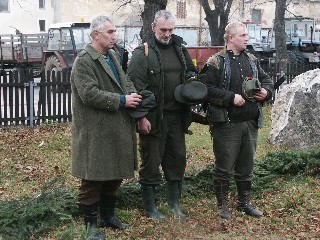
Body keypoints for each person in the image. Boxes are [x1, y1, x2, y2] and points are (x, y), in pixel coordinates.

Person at [70, 15, 142, 239]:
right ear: (95, 34)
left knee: (114, 174)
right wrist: (122, 101)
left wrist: (132, 94)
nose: (114, 36)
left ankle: (108, 216)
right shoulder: (84, 61)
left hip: (116, 127)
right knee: (93, 178)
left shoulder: (111, 54)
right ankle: (90, 225)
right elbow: (89, 94)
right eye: (110, 32)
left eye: (114, 31)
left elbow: (124, 81)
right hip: (95, 130)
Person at [127, 10, 198, 221]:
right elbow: (134, 88)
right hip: (153, 120)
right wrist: (141, 117)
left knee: (177, 160)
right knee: (151, 163)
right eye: (163, 30)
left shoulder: (180, 50)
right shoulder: (143, 54)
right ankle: (150, 208)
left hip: (177, 117)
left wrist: (193, 80)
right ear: (153, 28)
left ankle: (174, 205)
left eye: (170, 29)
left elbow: (191, 73)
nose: (167, 34)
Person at [200, 21, 274, 220]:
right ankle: (223, 206)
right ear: (230, 38)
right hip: (226, 124)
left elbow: (267, 81)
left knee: (246, 166)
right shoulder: (216, 62)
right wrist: (230, 97)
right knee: (224, 167)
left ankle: (244, 203)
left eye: (246, 35)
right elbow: (205, 89)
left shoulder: (252, 60)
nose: (246, 38)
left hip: (250, 123)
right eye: (242, 35)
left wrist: (266, 92)